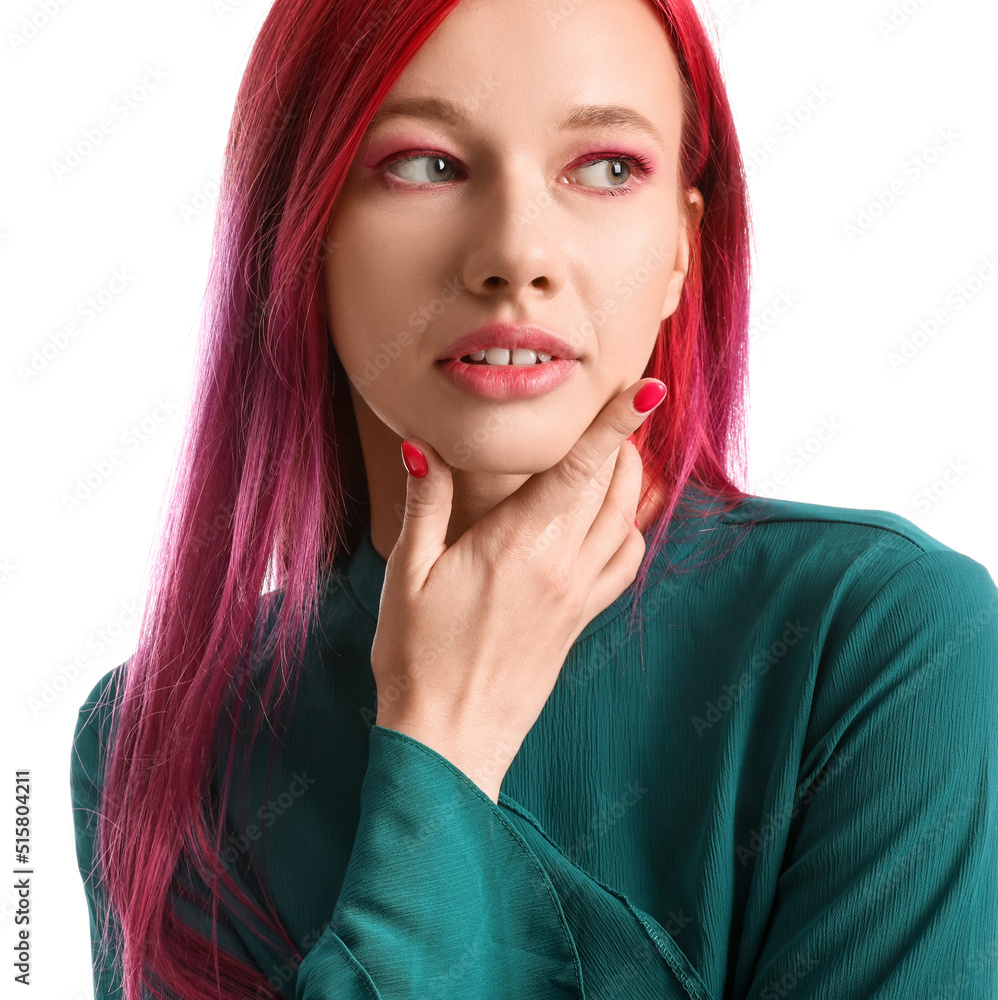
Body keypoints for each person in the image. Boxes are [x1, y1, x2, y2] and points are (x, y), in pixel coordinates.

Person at [69, 0, 998, 997]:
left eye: (606, 167)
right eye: (423, 162)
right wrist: (440, 739)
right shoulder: (161, 740)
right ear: (301, 229)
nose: (516, 253)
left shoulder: (887, 643)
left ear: (683, 246)